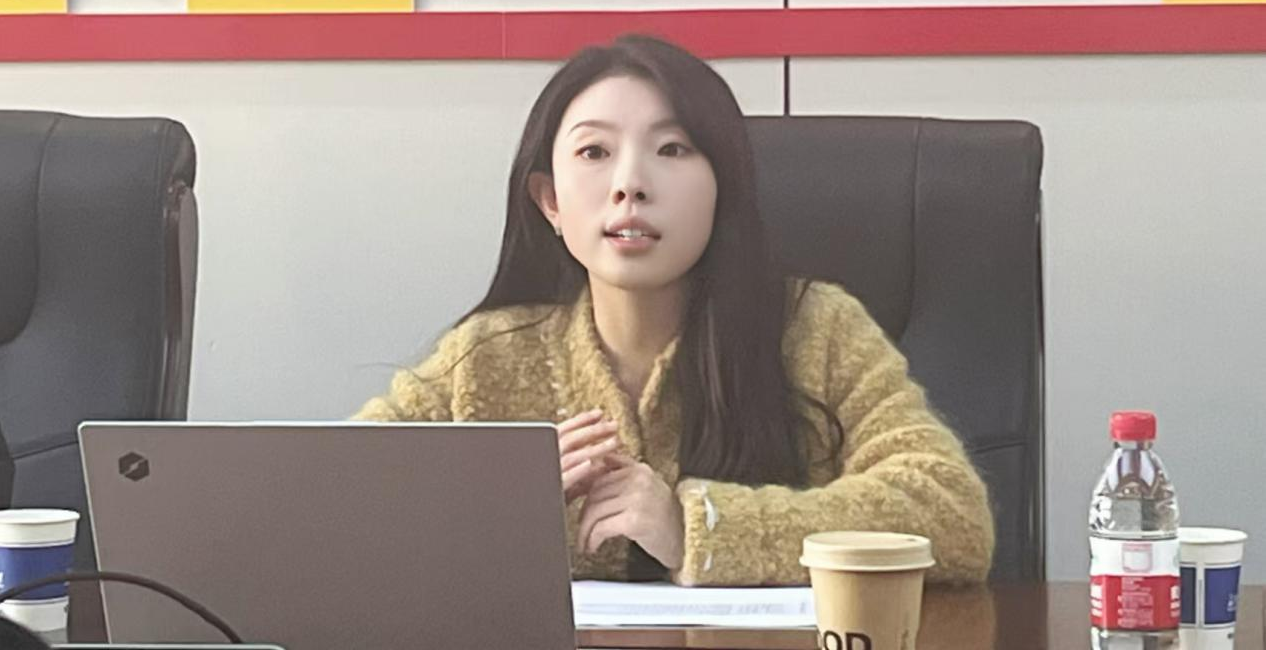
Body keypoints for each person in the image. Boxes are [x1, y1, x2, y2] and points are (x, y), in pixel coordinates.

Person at [354, 35, 994, 586]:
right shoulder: (485, 357)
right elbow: (337, 506)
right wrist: (498, 502)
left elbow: (953, 514)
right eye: (594, 153)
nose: (630, 184)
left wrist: (699, 528)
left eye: (672, 150)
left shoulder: (817, 329)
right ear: (549, 201)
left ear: (722, 188)